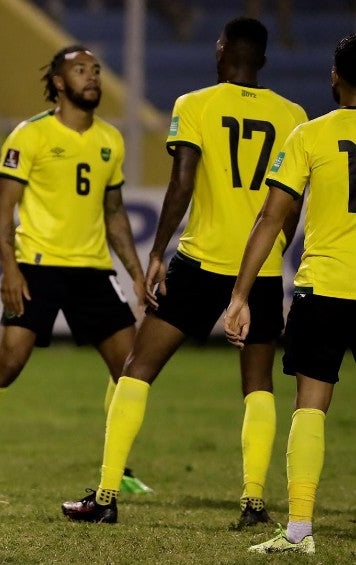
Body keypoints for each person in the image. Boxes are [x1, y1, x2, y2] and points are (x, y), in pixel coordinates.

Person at [61, 18, 307, 526]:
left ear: (220, 52)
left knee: (137, 369)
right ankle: (254, 504)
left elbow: (182, 183)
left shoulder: (194, 104)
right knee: (258, 384)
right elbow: (291, 201)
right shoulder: (294, 115)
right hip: (256, 269)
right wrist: (275, 246)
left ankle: (106, 496)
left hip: (199, 261)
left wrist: (155, 254)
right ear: (262, 59)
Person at [0, 45, 149, 496]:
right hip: (37, 266)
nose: (93, 78)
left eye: (97, 70)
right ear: (61, 83)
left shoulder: (110, 139)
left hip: (92, 269)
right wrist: (9, 271)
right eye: (81, 70)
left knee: (130, 370)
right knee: (7, 364)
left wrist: (137, 273)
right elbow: (3, 208)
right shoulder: (30, 136)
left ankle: (117, 467)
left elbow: (115, 213)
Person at [226, 32, 356, 555]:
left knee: (311, 405)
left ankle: (300, 528)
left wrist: (239, 294)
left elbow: (271, 217)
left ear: (335, 77)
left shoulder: (310, 135)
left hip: (325, 288)